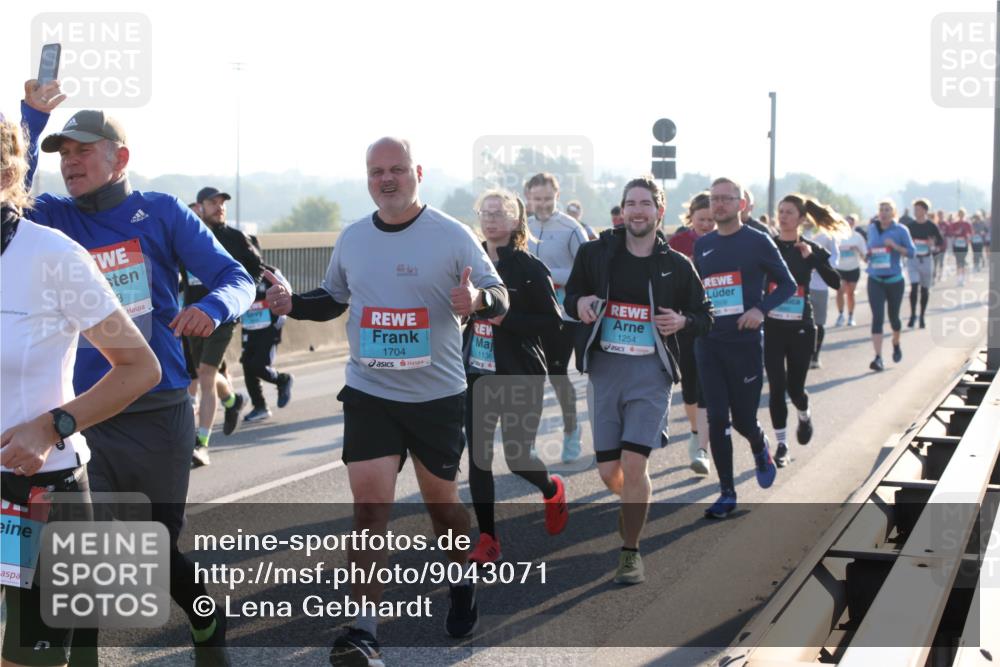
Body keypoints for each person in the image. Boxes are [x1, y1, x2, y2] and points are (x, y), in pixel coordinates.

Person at [20, 79, 254, 666]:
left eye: (82, 151)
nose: (69, 164)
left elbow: (237, 278)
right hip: (84, 410)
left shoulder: (163, 213)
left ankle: (205, 619)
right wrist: (32, 116)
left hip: (156, 408)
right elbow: (6, 187)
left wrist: (211, 307)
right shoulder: (50, 218)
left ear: (119, 157)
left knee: (149, 548)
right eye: (62, 155)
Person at [267, 137, 508, 665]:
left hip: (436, 398)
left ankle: (462, 576)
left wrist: (479, 300)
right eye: (377, 171)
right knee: (370, 509)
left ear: (417, 172)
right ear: (367, 177)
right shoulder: (353, 239)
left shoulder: (451, 235)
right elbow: (333, 298)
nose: (387, 179)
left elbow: (499, 295)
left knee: (442, 511)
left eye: (397, 169)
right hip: (371, 394)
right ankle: (364, 631)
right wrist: (292, 304)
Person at [1, 110, 161, 667]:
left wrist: (50, 426)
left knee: (30, 659)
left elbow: (140, 367)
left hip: (36, 494)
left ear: (7, 173)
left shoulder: (53, 257)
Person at [565, 176, 712, 583]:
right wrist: (580, 303)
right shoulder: (596, 253)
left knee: (635, 463)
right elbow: (570, 295)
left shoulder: (677, 266)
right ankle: (633, 504)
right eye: (631, 203)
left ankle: (631, 550)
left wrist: (682, 320)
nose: (637, 210)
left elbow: (706, 317)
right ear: (623, 209)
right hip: (605, 371)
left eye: (646, 203)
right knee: (609, 472)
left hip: (651, 374)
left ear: (659, 211)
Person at [464, 190, 568, 565]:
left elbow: (554, 322)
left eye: (499, 213)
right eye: (485, 212)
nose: (490, 219)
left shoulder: (528, 268)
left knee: (517, 456)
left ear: (514, 221)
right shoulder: (470, 263)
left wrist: (507, 320)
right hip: (477, 374)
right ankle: (489, 539)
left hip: (520, 374)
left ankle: (551, 487)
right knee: (478, 458)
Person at [693, 178, 795, 519]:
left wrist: (760, 309)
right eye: (714, 199)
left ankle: (759, 443)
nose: (719, 204)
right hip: (709, 344)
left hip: (745, 346)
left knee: (743, 421)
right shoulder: (703, 245)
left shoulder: (758, 241)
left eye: (726, 198)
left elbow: (789, 284)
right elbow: (701, 293)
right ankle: (727, 492)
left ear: (741, 204)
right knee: (718, 417)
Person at [183, 185, 267, 465]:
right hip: (193, 314)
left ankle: (202, 444)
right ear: (200, 206)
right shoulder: (187, 237)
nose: (219, 207)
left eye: (222, 203)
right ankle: (233, 401)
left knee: (205, 376)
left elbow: (257, 269)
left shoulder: (235, 238)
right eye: (213, 202)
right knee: (201, 374)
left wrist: (242, 296)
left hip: (223, 316)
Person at [766, 195, 842, 467]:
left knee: (794, 388)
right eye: (780, 211)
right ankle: (782, 445)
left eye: (789, 212)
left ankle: (804, 413)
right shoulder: (768, 247)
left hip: (801, 327)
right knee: (776, 388)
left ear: (800, 219)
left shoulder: (809, 249)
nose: (783, 216)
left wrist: (814, 260)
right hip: (773, 327)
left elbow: (835, 282)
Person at [525, 173, 588, 463]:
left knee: (558, 377)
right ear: (528, 197)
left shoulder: (571, 228)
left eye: (548, 198)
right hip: (529, 314)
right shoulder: (521, 225)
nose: (543, 204)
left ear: (557, 195)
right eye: (537, 199)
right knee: (531, 379)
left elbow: (588, 271)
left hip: (563, 316)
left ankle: (571, 432)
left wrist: (549, 276)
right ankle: (528, 442)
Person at [668, 191, 715, 474]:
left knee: (706, 385)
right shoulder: (678, 242)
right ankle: (696, 432)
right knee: (689, 387)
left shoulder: (725, 242)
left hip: (715, 321)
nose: (707, 224)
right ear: (691, 218)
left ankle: (702, 448)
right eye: (702, 219)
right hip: (684, 322)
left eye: (711, 219)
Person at [865, 200, 916, 371]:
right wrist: (868, 254)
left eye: (887, 210)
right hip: (875, 279)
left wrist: (894, 246)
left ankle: (896, 342)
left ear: (894, 213)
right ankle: (878, 357)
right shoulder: (872, 228)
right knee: (877, 317)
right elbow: (868, 249)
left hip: (894, 280)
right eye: (881, 209)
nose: (884, 213)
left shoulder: (901, 230)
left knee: (894, 317)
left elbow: (912, 252)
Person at [241, 262, 294, 422]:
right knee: (247, 365)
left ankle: (282, 379)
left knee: (258, 364)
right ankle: (260, 406)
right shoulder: (237, 271)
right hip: (249, 327)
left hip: (269, 327)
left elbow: (287, 294)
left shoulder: (270, 272)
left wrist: (279, 320)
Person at [803, 221, 839, 369]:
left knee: (818, 322)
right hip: (801, 286)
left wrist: (816, 264)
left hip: (820, 285)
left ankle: (815, 356)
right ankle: (802, 355)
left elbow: (835, 260)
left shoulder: (828, 236)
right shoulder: (798, 234)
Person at [903, 199, 945, 329]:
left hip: (926, 260)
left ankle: (922, 316)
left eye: (918, 209)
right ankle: (912, 315)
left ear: (925, 211)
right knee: (914, 287)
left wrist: (933, 245)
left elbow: (940, 242)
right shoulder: (910, 226)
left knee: (925, 289)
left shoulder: (931, 226)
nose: (916, 212)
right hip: (913, 260)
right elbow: (904, 241)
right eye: (915, 209)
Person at [834, 214, 867, 327]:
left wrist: (856, 249)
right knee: (840, 291)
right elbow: (831, 252)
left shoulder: (858, 237)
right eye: (846, 221)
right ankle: (841, 315)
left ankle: (851, 316)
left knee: (850, 293)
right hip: (840, 268)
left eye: (851, 221)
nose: (848, 223)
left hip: (853, 268)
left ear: (854, 223)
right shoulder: (837, 236)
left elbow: (865, 256)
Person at [950, 208, 973, 287]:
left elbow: (970, 233)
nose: (961, 215)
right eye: (959, 214)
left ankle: (962, 278)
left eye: (962, 214)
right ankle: (958, 278)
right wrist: (956, 233)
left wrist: (968, 238)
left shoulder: (967, 224)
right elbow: (951, 233)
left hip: (964, 244)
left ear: (964, 215)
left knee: (962, 261)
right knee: (958, 261)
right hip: (956, 244)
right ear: (958, 215)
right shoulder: (954, 224)